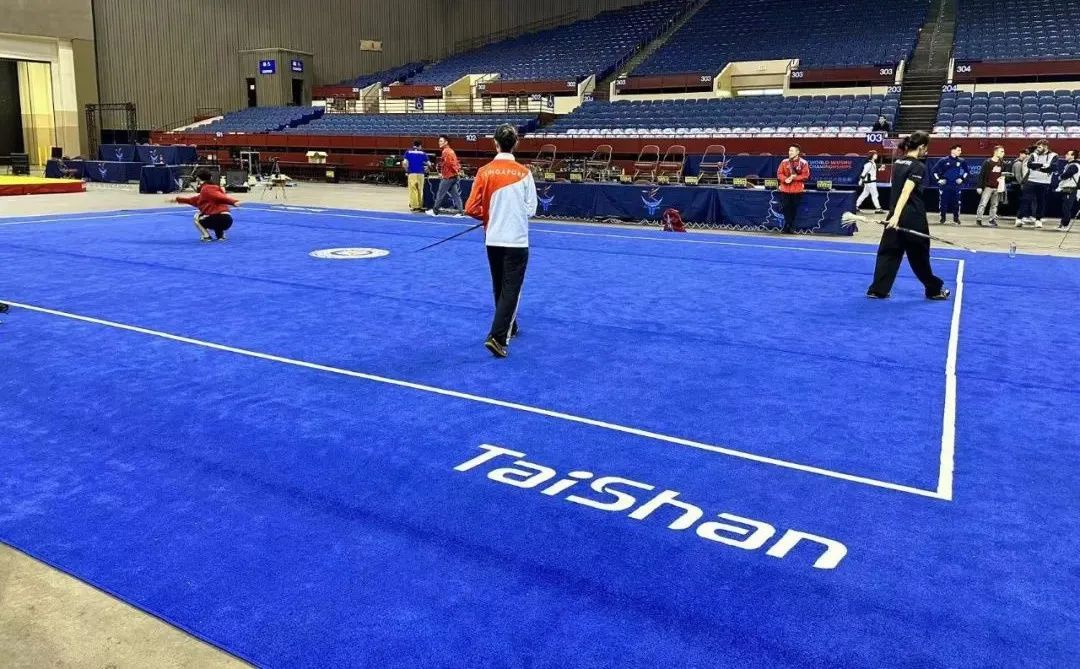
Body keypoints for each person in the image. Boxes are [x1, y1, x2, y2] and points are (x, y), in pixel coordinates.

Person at [465, 124, 537, 358]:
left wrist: (490, 215)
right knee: (511, 288)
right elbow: (531, 209)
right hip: (516, 240)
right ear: (515, 143)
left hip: (493, 238)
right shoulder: (524, 173)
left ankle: (509, 325)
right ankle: (497, 336)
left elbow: (471, 207)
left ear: (495, 143)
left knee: (499, 284)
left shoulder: (484, 171)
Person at [867, 131, 950, 301]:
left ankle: (878, 290)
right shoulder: (918, 166)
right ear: (921, 147)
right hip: (912, 217)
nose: (926, 151)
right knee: (919, 256)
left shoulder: (898, 162)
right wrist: (897, 216)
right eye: (926, 148)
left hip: (894, 214)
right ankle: (933, 290)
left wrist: (894, 215)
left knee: (888, 253)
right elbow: (906, 191)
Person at [172, 168, 239, 242]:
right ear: (210, 178)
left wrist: (233, 202)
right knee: (214, 214)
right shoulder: (216, 188)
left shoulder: (206, 189)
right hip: (228, 220)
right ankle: (220, 236)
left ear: (198, 179)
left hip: (219, 219)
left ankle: (206, 236)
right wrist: (178, 199)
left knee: (197, 216)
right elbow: (195, 200)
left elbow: (219, 197)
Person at [1023, 140, 1058, 228]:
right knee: (1026, 199)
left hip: (1044, 182)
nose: (1038, 149)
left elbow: (1051, 168)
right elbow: (1030, 165)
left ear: (1046, 147)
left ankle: (1038, 219)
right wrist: (1043, 165)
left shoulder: (1053, 155)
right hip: (1032, 180)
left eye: (1040, 147)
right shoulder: (1034, 154)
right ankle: (1022, 217)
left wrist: (1038, 168)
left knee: (1041, 201)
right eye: (1037, 147)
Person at [776, 145, 810, 234]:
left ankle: (790, 226)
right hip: (785, 189)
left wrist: (794, 178)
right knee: (785, 208)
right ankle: (788, 225)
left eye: (792, 150)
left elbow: (805, 176)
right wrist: (785, 179)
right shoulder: (784, 162)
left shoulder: (803, 163)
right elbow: (779, 173)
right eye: (789, 150)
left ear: (797, 152)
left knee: (793, 208)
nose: (789, 152)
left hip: (797, 190)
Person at [428, 134, 463, 217]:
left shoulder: (446, 151)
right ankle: (461, 212)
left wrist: (456, 172)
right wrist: (457, 172)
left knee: (440, 194)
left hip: (448, 177)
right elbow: (454, 163)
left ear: (446, 142)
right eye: (439, 141)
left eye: (441, 141)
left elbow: (450, 164)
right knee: (455, 195)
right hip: (453, 176)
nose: (439, 143)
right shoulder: (451, 151)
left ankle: (435, 211)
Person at [933, 145, 969, 225]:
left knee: (956, 203)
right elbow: (934, 171)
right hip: (945, 185)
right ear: (953, 150)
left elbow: (966, 172)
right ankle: (942, 218)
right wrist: (939, 180)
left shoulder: (962, 161)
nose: (960, 152)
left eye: (960, 150)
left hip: (956, 185)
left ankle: (956, 219)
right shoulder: (943, 160)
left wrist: (962, 179)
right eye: (958, 150)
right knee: (943, 202)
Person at [975, 145, 1007, 227]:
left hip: (997, 187)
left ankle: (992, 219)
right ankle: (979, 219)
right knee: (983, 203)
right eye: (1001, 151)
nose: (1003, 153)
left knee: (994, 205)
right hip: (988, 187)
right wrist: (979, 186)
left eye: (1003, 152)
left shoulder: (1002, 163)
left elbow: (1002, 174)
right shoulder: (987, 162)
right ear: (995, 152)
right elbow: (981, 175)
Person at [402, 140, 430, 212]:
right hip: (421, 173)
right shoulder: (423, 153)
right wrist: (425, 166)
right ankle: (420, 205)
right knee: (420, 190)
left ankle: (414, 206)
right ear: (420, 145)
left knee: (413, 189)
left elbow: (405, 163)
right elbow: (429, 164)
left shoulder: (408, 152)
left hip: (412, 173)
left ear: (414, 145)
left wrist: (406, 170)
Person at [1055, 149, 1079, 231]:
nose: (1066, 155)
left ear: (1073, 156)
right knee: (1065, 207)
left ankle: (1065, 225)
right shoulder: (1070, 165)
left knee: (1066, 208)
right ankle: (1063, 224)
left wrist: (1061, 177)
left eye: (1068, 154)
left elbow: (1068, 174)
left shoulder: (1074, 165)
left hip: (1070, 189)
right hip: (1067, 189)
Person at [1010, 149, 1030, 227]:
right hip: (1017, 185)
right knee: (1020, 201)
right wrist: (1022, 184)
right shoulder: (1018, 163)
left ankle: (1022, 216)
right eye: (1025, 154)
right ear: (1021, 154)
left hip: (1019, 184)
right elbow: (1018, 176)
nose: (1027, 156)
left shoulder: (1023, 163)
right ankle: (1019, 217)